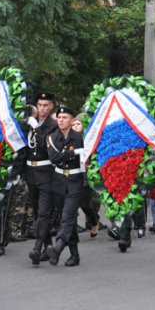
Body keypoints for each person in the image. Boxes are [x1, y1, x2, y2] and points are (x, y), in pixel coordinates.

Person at [45, 106, 84, 267]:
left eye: (65, 117)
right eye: (59, 117)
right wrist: (73, 153)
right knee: (68, 220)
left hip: (75, 180)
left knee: (67, 216)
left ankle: (58, 247)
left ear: (72, 120)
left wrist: (68, 153)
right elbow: (54, 158)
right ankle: (74, 255)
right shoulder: (53, 137)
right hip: (59, 180)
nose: (61, 120)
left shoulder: (79, 137)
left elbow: (86, 153)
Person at [26, 93, 58, 264]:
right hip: (31, 173)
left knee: (44, 212)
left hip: (47, 174)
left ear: (51, 106)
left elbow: (45, 146)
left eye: (46, 105)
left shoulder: (53, 126)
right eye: (40, 105)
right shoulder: (30, 123)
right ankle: (48, 246)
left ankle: (37, 247)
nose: (42, 108)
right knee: (38, 211)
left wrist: (36, 128)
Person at [72, 116, 100, 237]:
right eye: (73, 124)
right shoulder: (67, 138)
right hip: (70, 174)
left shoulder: (88, 140)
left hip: (84, 174)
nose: (75, 126)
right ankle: (70, 231)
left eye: (78, 124)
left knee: (85, 204)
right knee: (70, 204)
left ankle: (94, 221)